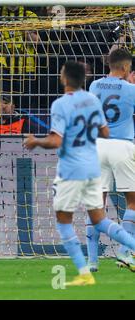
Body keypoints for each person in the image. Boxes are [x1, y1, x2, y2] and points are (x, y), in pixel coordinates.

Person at [23, 61, 135, 286]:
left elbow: (56, 140)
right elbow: (104, 131)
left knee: (64, 222)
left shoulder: (61, 105)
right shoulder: (92, 100)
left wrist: (36, 141)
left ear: (64, 78)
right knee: (100, 219)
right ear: (82, 79)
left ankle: (85, 272)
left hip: (71, 169)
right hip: (91, 166)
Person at [86, 48, 135, 272]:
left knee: (97, 204)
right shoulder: (131, 89)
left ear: (109, 64)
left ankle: (92, 261)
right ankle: (125, 253)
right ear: (126, 68)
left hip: (97, 146)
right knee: (132, 202)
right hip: (122, 145)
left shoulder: (94, 85)